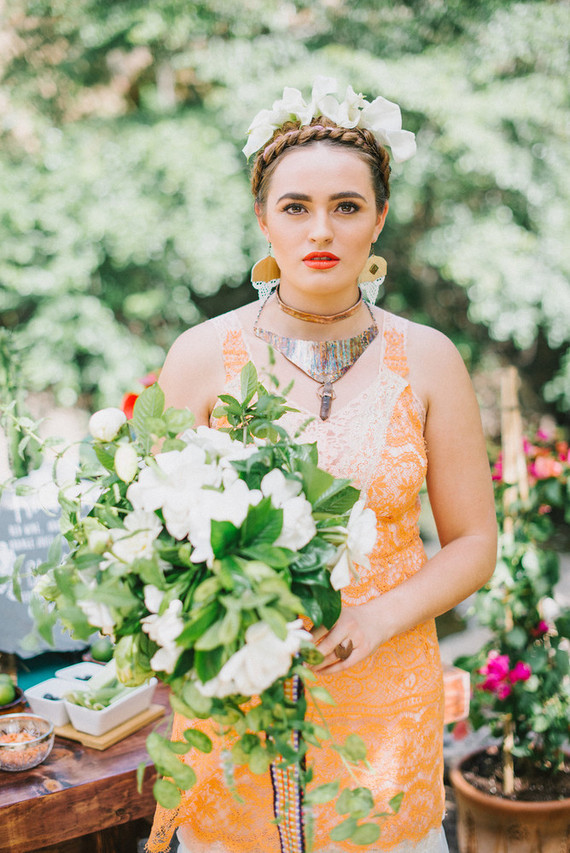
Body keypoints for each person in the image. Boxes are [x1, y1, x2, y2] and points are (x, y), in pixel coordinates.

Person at [147, 77, 497, 853]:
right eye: (296, 206)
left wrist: (374, 619)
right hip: (237, 705)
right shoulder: (201, 357)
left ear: (377, 219)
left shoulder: (430, 360)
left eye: (346, 206)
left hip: (385, 709)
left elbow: (474, 542)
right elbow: (154, 540)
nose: (322, 229)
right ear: (263, 218)